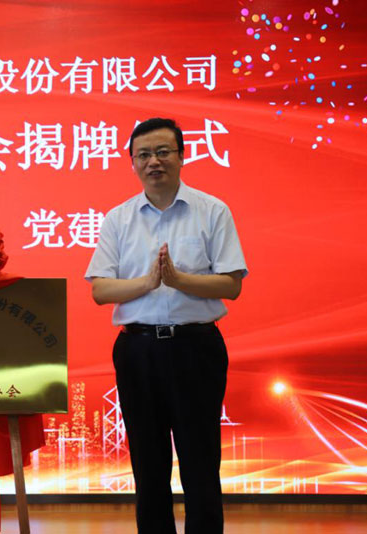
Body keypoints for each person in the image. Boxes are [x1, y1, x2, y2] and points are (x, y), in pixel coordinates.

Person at [85, 118, 247, 533]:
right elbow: (100, 290)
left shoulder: (212, 210)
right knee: (147, 460)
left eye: (162, 152)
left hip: (196, 347)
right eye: (143, 155)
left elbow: (231, 284)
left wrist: (178, 281)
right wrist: (147, 283)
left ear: (181, 156)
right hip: (137, 350)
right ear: (132, 162)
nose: (153, 162)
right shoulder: (118, 218)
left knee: (200, 459)